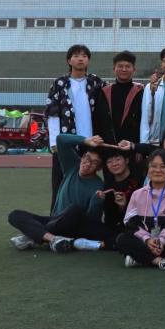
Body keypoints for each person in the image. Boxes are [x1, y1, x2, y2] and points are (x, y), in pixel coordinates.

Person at [8, 134, 106, 253]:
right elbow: (61, 139)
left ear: (99, 168)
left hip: (70, 226)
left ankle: (35, 236)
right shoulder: (72, 166)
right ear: (82, 157)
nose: (88, 163)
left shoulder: (98, 186)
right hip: (52, 220)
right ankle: (53, 239)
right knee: (15, 215)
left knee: (74, 210)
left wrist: (97, 202)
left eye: (94, 163)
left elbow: (92, 222)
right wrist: (85, 140)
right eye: (87, 157)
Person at [44, 45, 106, 209]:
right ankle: (55, 219)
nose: (80, 59)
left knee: (87, 182)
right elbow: (53, 113)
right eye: (76, 56)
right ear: (69, 60)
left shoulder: (96, 82)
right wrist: (54, 143)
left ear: (88, 61)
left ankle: (85, 216)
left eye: (84, 56)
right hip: (67, 144)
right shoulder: (60, 83)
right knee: (60, 183)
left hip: (91, 144)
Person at [116, 149, 165, 269]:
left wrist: (161, 240)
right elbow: (129, 222)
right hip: (145, 241)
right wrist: (147, 240)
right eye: (153, 166)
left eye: (163, 167)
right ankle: (160, 261)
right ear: (147, 169)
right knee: (122, 239)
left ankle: (141, 259)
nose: (158, 170)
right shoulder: (137, 194)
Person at [96, 50, 143, 145]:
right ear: (114, 69)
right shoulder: (104, 91)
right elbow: (98, 120)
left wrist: (138, 147)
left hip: (132, 146)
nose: (124, 69)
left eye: (127, 66)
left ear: (134, 69)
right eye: (120, 66)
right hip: (107, 145)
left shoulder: (140, 92)